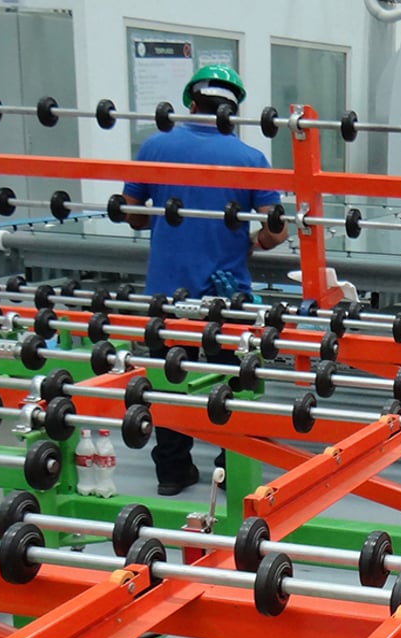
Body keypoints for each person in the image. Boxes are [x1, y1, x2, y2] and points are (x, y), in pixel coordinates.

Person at [122, 64, 287, 495]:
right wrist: (250, 241)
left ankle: (173, 473)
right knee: (231, 382)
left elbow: (133, 213)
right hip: (225, 294)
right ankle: (231, 470)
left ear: (191, 102)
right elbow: (276, 231)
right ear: (233, 111)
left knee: (170, 380)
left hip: (165, 293)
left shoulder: (155, 146)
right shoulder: (251, 159)